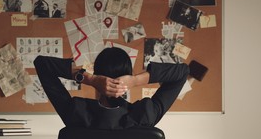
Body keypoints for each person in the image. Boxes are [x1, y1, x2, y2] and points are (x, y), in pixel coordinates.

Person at [34, 47, 189, 129]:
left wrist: (90, 79)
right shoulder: (145, 115)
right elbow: (183, 73)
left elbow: (42, 64)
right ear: (128, 75)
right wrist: (136, 80)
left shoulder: (75, 112)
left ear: (98, 74)